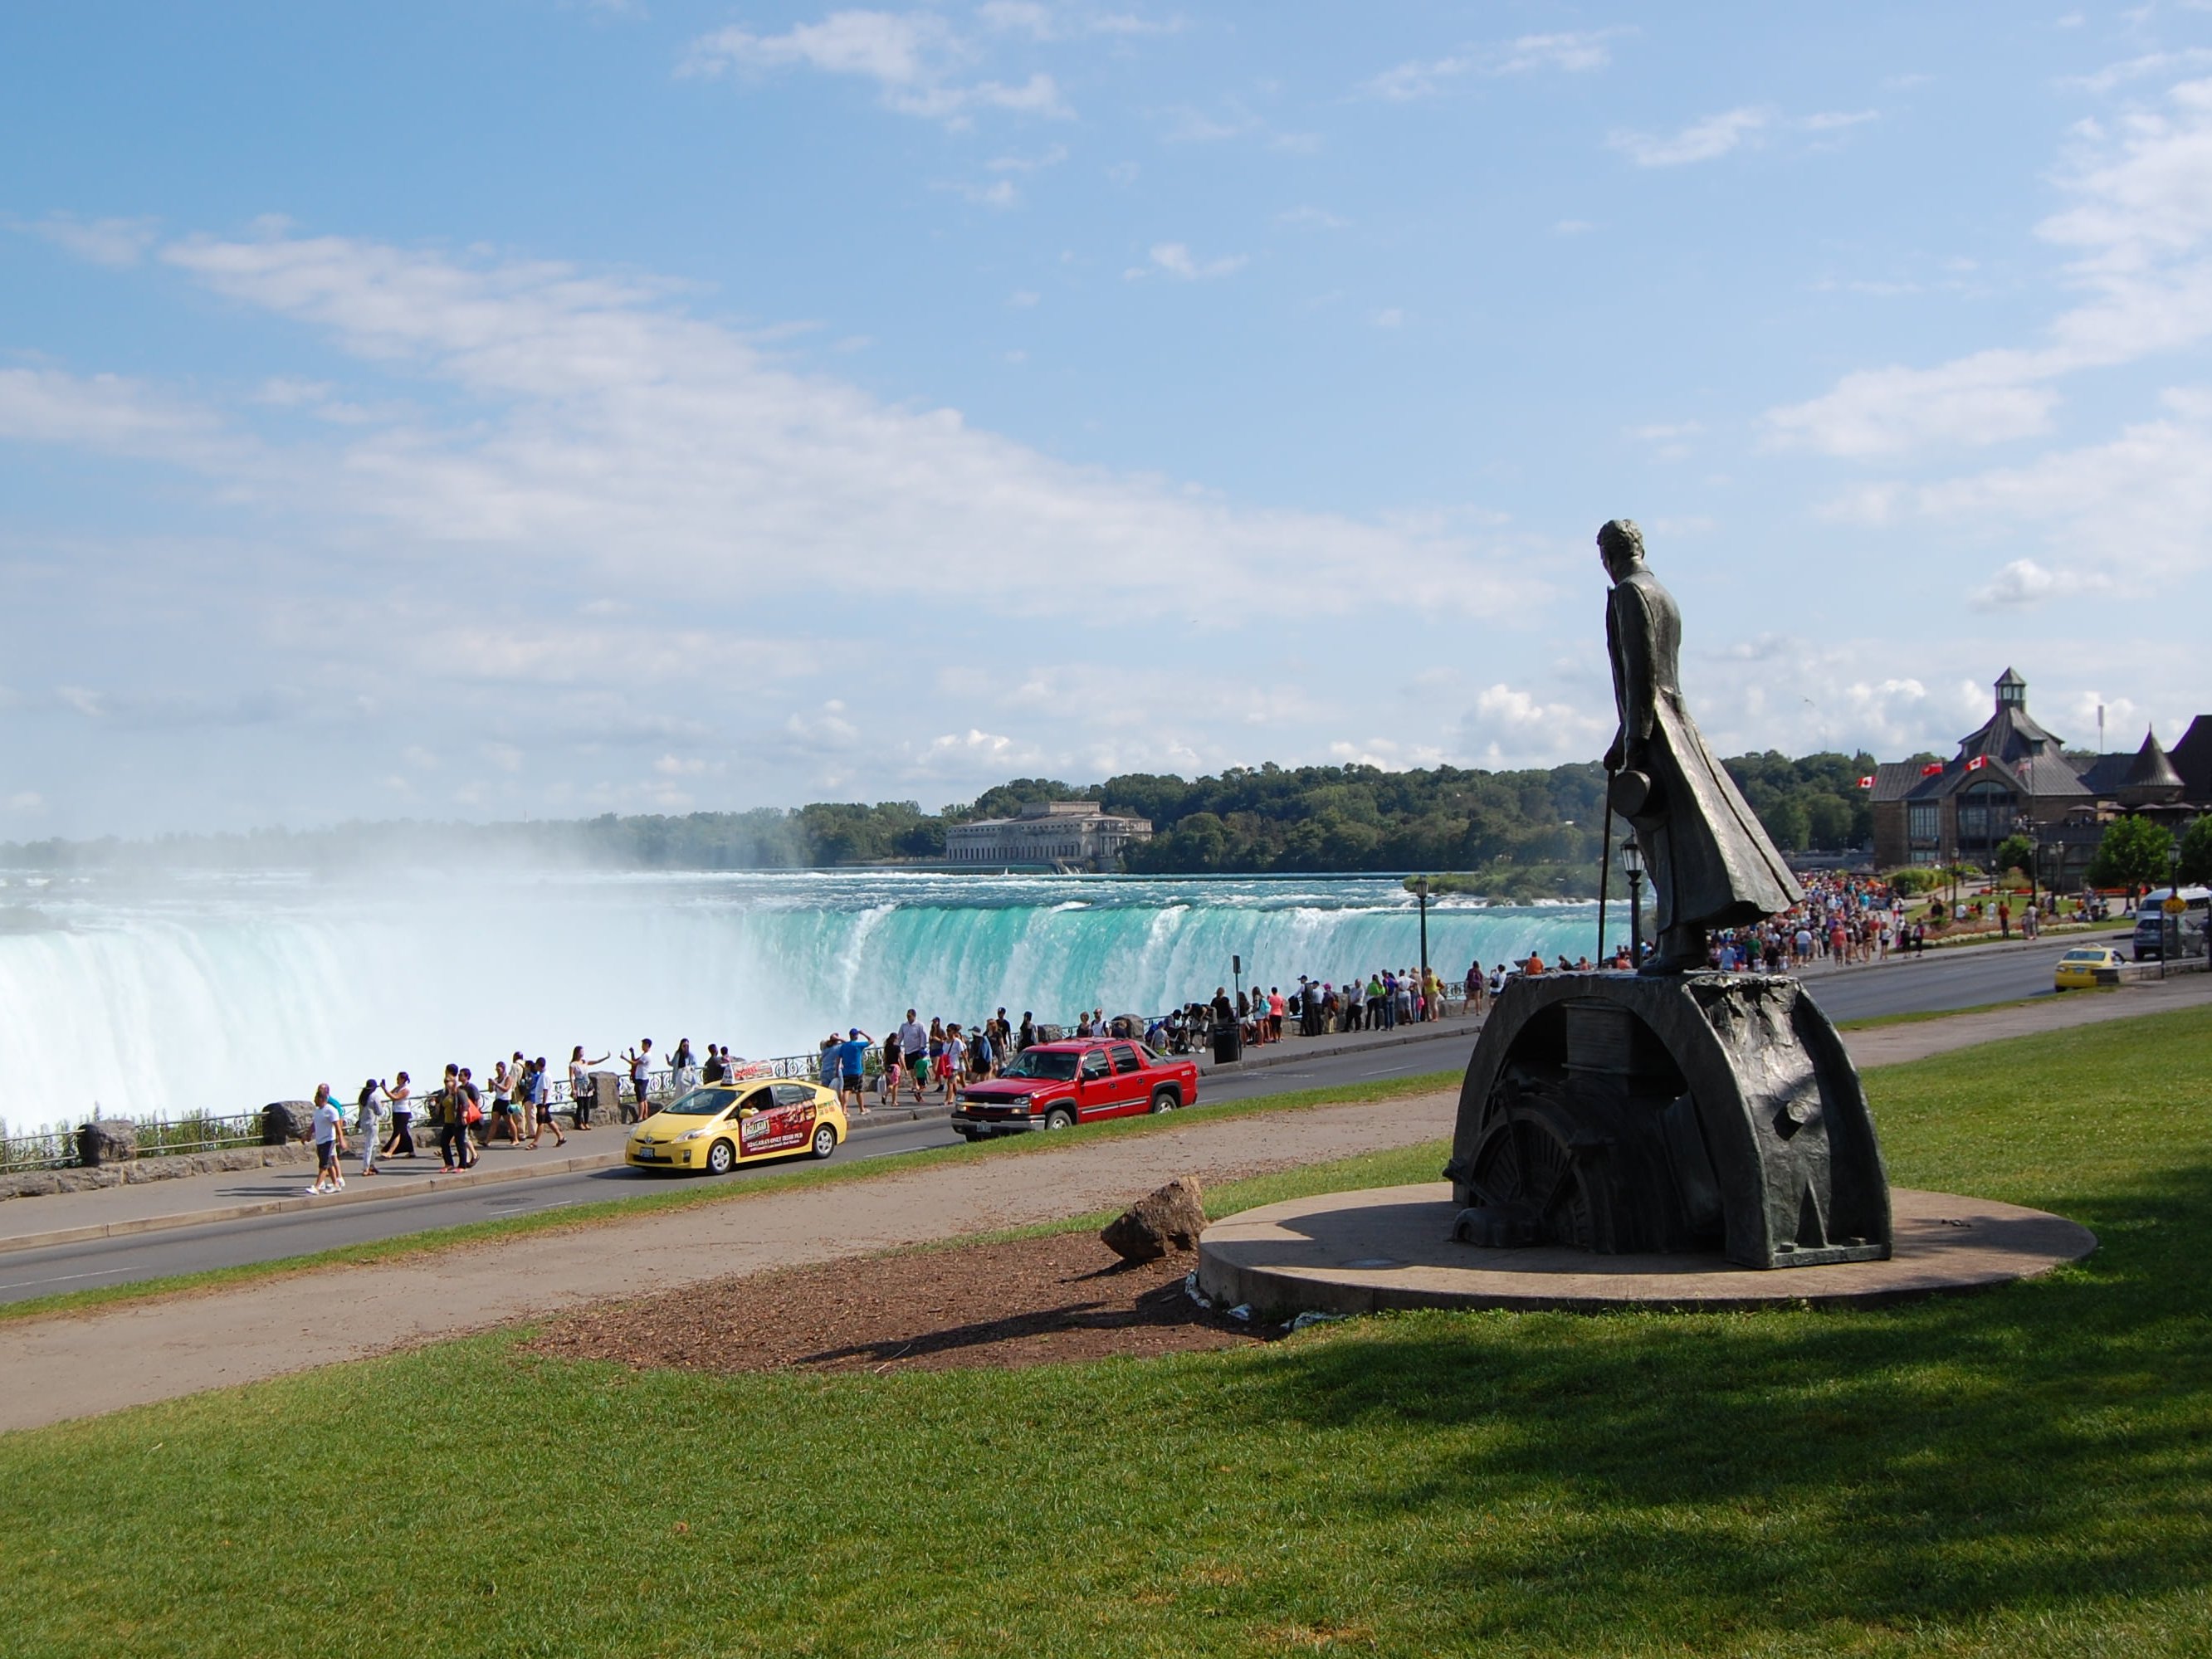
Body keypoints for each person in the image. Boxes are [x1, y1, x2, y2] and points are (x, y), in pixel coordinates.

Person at [306, 1083, 347, 1195]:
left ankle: (317, 1187)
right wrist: (308, 1135)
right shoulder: (318, 1111)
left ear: (321, 1098)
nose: (314, 1100)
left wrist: (341, 1140)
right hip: (320, 1140)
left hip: (328, 1140)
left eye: (315, 1098)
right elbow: (314, 1124)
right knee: (328, 1164)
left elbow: (338, 1126)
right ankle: (336, 1185)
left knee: (323, 1165)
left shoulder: (330, 1110)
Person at [527, 1056, 565, 1148]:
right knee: (549, 1120)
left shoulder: (544, 1076)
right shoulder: (544, 1074)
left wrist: (543, 1106)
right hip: (542, 1101)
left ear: (538, 1065)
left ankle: (535, 1142)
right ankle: (561, 1137)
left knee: (541, 1122)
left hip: (543, 1102)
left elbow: (545, 1090)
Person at [569, 1047, 608, 1130]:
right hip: (579, 1085)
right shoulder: (573, 1064)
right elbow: (571, 1077)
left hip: (587, 1085)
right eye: (581, 1052)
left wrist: (606, 1057)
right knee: (580, 1105)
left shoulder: (585, 1062)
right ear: (577, 1053)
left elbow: (596, 1061)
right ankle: (579, 1123)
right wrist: (573, 1089)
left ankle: (586, 1122)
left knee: (587, 1105)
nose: (582, 1053)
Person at [381, 1071, 417, 1159]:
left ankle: (390, 1152)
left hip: (403, 1112)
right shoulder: (398, 1088)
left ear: (403, 1079)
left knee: (398, 1132)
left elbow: (396, 1097)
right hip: (397, 1111)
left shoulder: (406, 1089)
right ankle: (411, 1151)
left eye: (398, 1079)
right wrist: (385, 1088)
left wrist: (385, 1089)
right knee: (404, 1132)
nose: (397, 1080)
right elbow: (390, 1095)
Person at [837, 1028, 872, 1116]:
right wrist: (863, 1033)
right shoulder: (858, 1045)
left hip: (846, 1072)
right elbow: (871, 1041)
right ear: (856, 1036)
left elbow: (839, 1058)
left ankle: (844, 1110)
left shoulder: (844, 1046)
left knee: (846, 1090)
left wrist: (837, 1069)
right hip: (857, 1072)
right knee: (859, 1091)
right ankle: (862, 1109)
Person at [355, 1079, 384, 1178]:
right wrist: (383, 1106)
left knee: (376, 1143)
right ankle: (366, 1168)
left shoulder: (362, 1096)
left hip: (364, 1123)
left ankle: (372, 1165)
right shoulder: (374, 1096)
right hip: (373, 1123)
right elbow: (379, 1112)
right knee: (370, 1146)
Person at [898, 1009, 928, 1102]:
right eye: (907, 1016)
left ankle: (916, 1085)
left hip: (917, 1050)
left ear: (914, 1016)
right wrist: (897, 1046)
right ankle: (915, 1084)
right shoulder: (904, 1026)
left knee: (917, 1069)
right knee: (911, 1069)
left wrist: (922, 1048)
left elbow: (923, 1036)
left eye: (910, 1016)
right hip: (908, 1051)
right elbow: (900, 1037)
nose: (908, 1018)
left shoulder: (920, 1025)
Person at [623, 1039, 654, 1122]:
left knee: (640, 1099)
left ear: (647, 1045)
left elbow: (634, 1063)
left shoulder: (646, 1056)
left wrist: (624, 1058)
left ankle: (640, 1117)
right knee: (643, 1098)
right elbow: (635, 1060)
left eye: (643, 1045)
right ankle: (645, 1115)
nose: (642, 1046)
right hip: (643, 1078)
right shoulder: (645, 1054)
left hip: (641, 1078)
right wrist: (632, 1053)